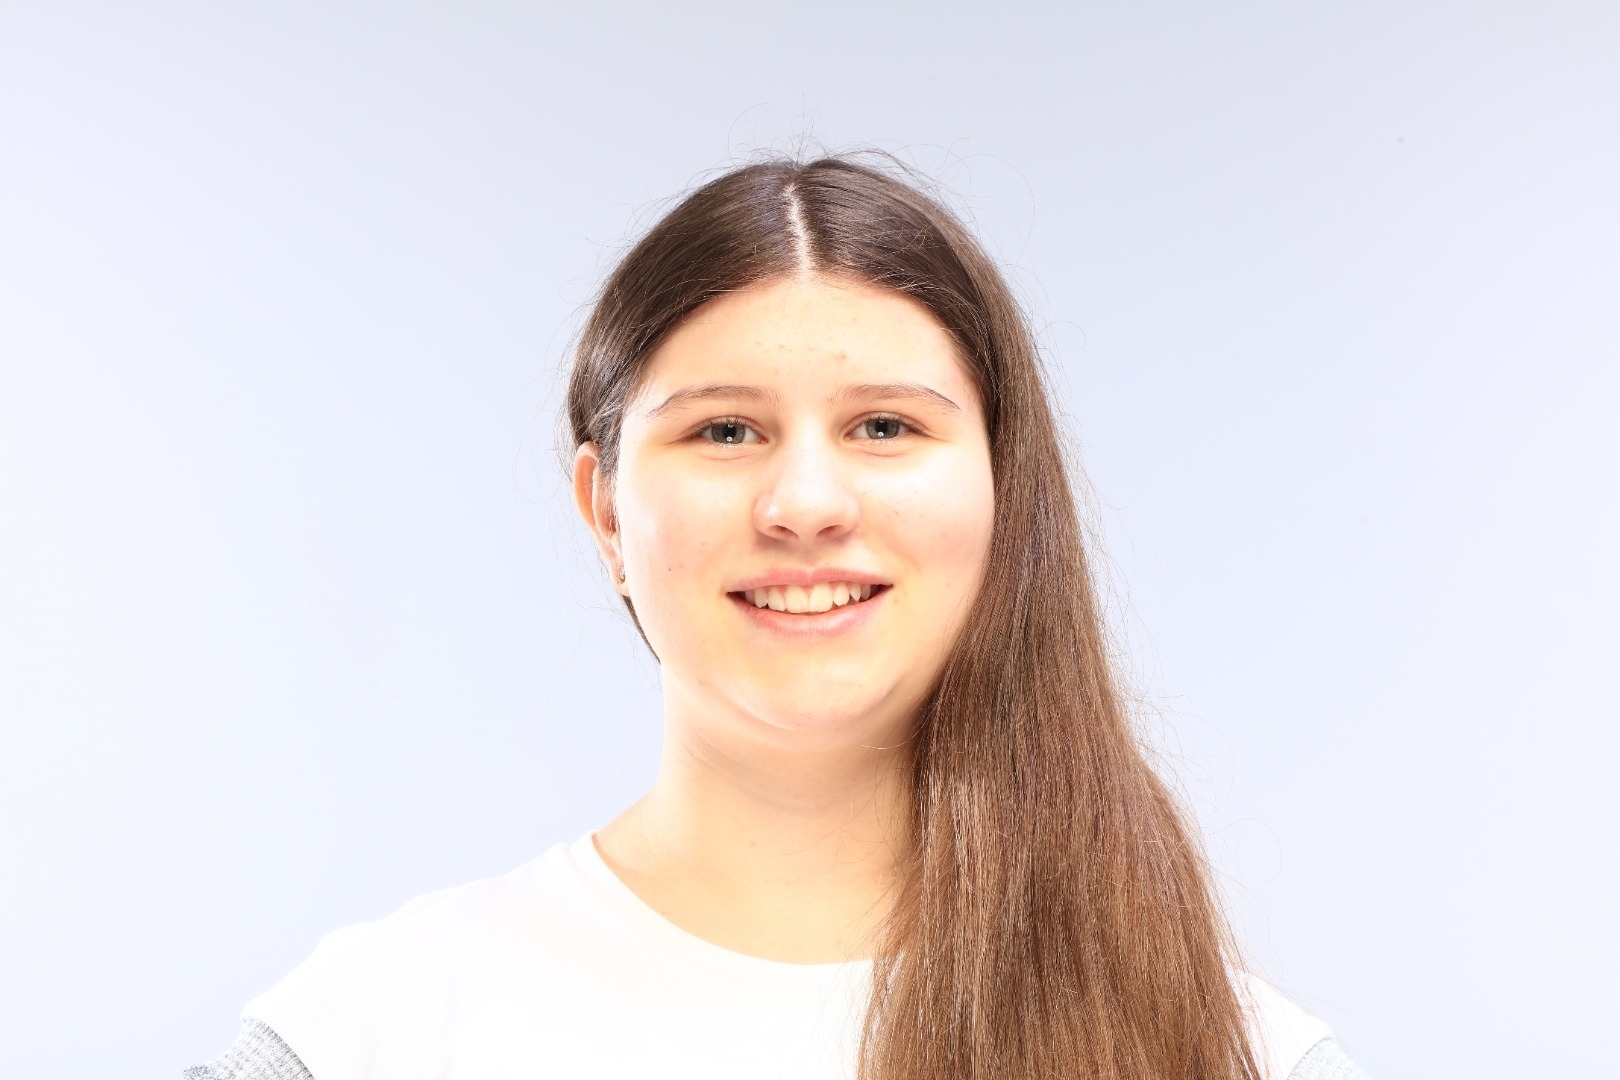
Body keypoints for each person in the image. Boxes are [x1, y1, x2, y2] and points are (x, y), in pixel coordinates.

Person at [185, 156, 1369, 1080]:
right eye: (725, 430)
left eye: (885, 427)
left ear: (1004, 488)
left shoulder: (1237, 1054)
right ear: (605, 512)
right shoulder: (371, 1034)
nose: (805, 503)